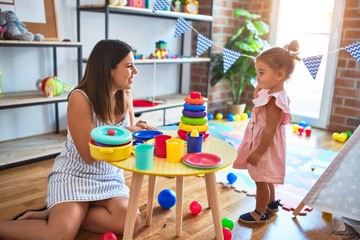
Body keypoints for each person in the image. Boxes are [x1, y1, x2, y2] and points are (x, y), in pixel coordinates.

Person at [0, 39, 157, 239]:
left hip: (109, 177)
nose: (135, 70)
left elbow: (124, 137)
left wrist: (138, 131)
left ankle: (59, 212)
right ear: (108, 69)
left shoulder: (125, 95)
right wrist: (131, 133)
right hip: (75, 175)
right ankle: (62, 213)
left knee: (131, 221)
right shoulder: (80, 98)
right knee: (60, 234)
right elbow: (88, 155)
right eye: (129, 66)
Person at [234, 40, 301, 224]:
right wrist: (258, 91)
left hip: (265, 145)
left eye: (261, 72)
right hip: (263, 141)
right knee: (267, 177)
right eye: (257, 71)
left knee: (260, 180)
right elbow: (258, 103)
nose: (257, 76)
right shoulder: (270, 92)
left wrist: (258, 151)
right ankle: (272, 205)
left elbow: (270, 129)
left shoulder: (274, 100)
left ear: (279, 74)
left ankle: (259, 212)